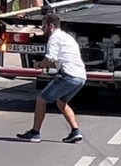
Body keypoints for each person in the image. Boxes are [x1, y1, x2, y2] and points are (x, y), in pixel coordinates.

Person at [16, 13, 86, 144]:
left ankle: (35, 133)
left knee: (41, 100)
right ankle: (75, 132)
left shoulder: (54, 38)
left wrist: (39, 65)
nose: (42, 30)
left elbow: (50, 58)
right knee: (61, 102)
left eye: (43, 27)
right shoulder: (67, 37)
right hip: (80, 77)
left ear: (51, 26)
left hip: (68, 76)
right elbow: (63, 58)